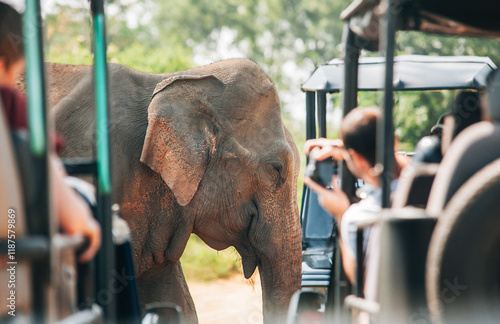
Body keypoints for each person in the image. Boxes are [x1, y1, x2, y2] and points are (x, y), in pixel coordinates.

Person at [0, 2, 100, 263]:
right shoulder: (8, 104)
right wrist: (83, 219)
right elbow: (49, 174)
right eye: (17, 72)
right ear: (1, 66)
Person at [303, 106, 403, 283]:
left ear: (356, 158)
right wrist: (349, 149)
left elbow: (360, 282)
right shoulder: (430, 183)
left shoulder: (359, 218)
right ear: (394, 141)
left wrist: (341, 214)